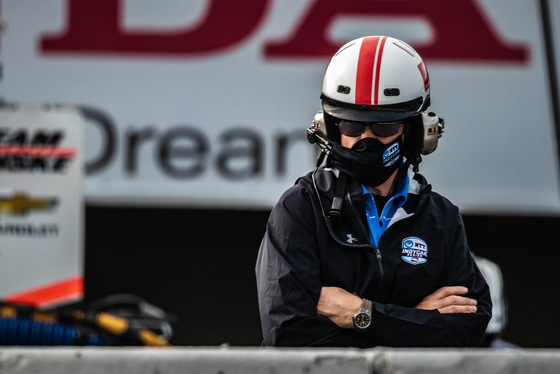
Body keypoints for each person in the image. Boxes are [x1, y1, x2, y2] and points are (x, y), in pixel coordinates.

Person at [255, 35, 492, 347]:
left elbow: (467, 327)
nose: (365, 139)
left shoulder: (442, 219)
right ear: (329, 127)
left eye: (383, 128)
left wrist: (361, 313)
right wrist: (416, 321)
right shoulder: (300, 209)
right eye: (351, 127)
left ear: (415, 132)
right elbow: (288, 335)